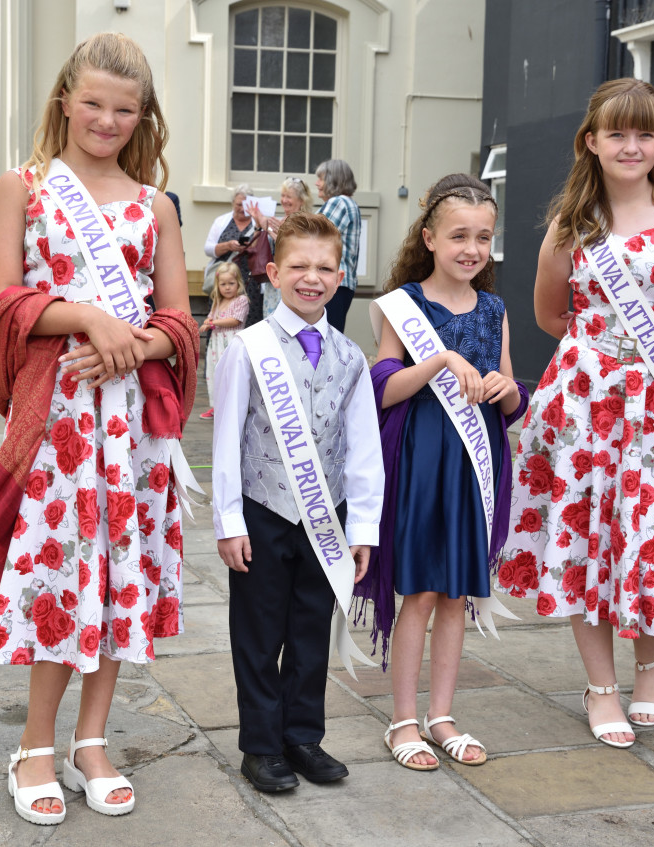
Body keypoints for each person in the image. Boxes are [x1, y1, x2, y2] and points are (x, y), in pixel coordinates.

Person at [0, 32, 199, 825]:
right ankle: (34, 744)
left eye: (123, 109)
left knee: (119, 575)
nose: (106, 119)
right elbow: (3, 301)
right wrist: (90, 319)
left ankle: (91, 741)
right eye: (93, 102)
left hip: (132, 431)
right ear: (66, 97)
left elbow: (178, 320)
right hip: (61, 427)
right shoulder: (23, 187)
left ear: (143, 116)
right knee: (61, 579)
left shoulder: (155, 204)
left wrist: (133, 344)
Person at [498, 78, 654, 749]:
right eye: (617, 133)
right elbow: (547, 316)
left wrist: (644, 356)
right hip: (584, 405)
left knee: (653, 533)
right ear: (590, 141)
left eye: (646, 133)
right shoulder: (571, 228)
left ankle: (650, 670)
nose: (632, 145)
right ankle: (600, 686)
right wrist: (603, 351)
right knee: (584, 540)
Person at [211, 213, 383, 792]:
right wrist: (229, 521)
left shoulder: (351, 357)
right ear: (275, 272)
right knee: (259, 632)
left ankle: (302, 737)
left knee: (312, 629)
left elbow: (363, 449)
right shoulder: (250, 348)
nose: (312, 278)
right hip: (263, 510)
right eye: (300, 267)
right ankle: (261, 745)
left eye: (325, 268)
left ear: (341, 276)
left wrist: (362, 526)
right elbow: (228, 439)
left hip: (324, 515)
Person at [362, 174, 529, 771]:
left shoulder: (495, 308)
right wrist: (438, 361)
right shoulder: (404, 305)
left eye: (483, 237)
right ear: (429, 237)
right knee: (423, 590)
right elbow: (382, 389)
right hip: (422, 457)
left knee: (457, 592)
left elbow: (513, 400)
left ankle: (443, 715)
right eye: (459, 235)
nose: (472, 248)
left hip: (474, 463)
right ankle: (403, 719)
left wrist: (504, 388)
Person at [249, 176, 314, 319]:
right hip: (275, 283)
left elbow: (295, 251)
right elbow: (255, 247)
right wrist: (258, 225)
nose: (284, 200)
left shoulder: (305, 222)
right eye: (283, 195)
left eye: (289, 196)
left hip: (293, 282)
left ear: (301, 201)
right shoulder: (280, 220)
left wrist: (270, 230)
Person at [198, 262, 249, 419]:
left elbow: (235, 320)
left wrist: (213, 323)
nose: (227, 287)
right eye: (223, 284)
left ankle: (233, 406)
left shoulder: (241, 300)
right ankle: (216, 405)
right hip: (216, 343)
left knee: (231, 373)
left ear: (238, 283)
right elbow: (211, 316)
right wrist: (207, 322)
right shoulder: (218, 301)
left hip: (231, 341)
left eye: (231, 283)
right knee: (214, 372)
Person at [315, 159, 361, 332]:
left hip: (333, 282)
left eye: (321, 178)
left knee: (324, 339)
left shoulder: (339, 202)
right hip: (340, 284)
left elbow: (314, 237)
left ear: (334, 180)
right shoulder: (348, 203)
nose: (317, 183)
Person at [204, 185, 260, 323]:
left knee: (248, 320)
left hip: (249, 282)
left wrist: (250, 247)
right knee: (220, 320)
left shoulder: (257, 222)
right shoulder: (221, 221)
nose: (241, 209)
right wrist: (228, 246)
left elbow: (263, 249)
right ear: (232, 203)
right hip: (224, 281)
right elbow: (208, 249)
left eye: (245, 205)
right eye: (238, 204)